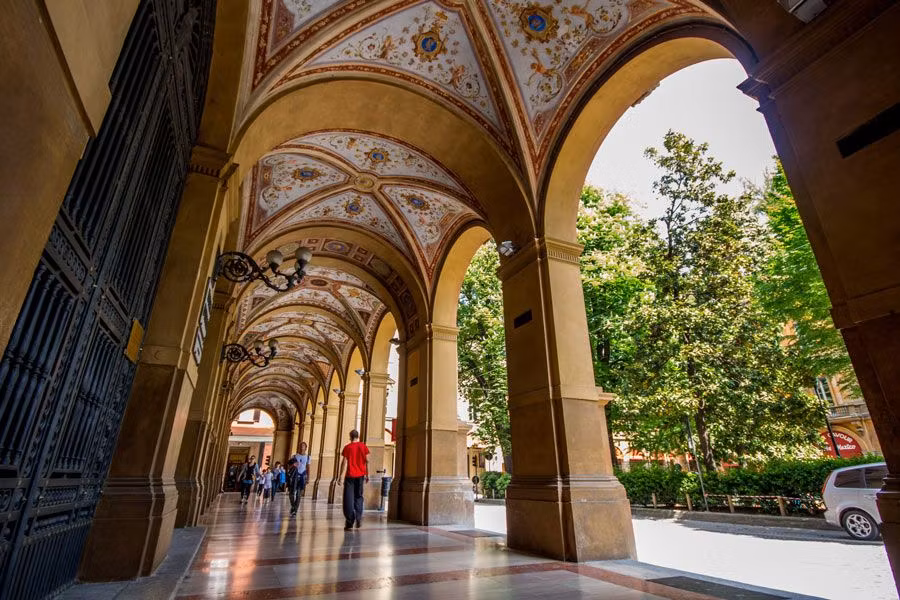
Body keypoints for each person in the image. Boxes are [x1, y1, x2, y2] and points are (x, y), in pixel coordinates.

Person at [336, 429, 369, 531]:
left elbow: (344, 462)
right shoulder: (363, 446)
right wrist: (367, 474)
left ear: (350, 437)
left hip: (350, 476)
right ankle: (358, 518)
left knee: (348, 499)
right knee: (358, 497)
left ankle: (349, 522)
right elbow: (367, 461)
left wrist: (340, 476)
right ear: (358, 436)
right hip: (361, 476)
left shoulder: (347, 447)